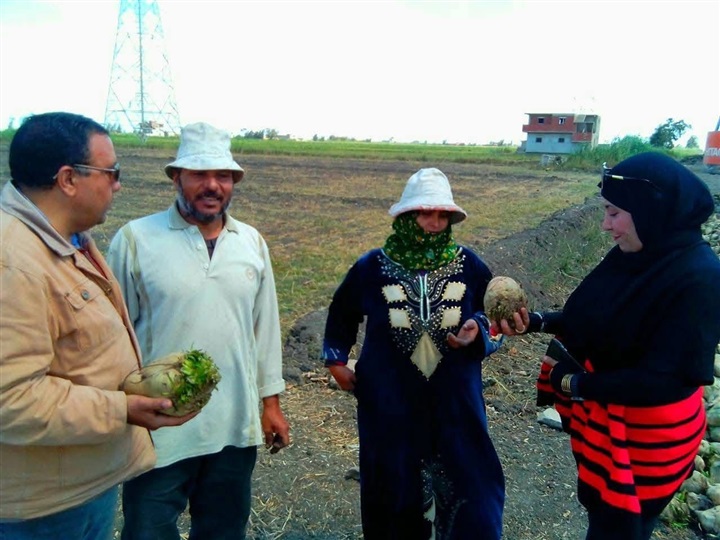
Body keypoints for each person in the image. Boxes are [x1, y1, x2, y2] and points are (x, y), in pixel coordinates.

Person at [0, 112, 194, 540]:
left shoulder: (66, 239)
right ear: (68, 179)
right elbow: (10, 399)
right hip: (43, 511)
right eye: (112, 172)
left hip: (77, 485)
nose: (118, 185)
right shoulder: (13, 262)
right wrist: (122, 408)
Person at [509, 152, 720, 540]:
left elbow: (667, 382)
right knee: (604, 517)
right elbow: (596, 315)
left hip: (648, 446)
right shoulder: (637, 252)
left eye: (614, 213)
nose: (606, 225)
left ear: (650, 211)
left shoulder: (700, 278)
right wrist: (534, 321)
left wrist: (573, 383)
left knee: (621, 527)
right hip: (608, 426)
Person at [107, 121, 291, 540]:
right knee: (148, 531)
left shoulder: (251, 242)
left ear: (233, 182)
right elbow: (115, 335)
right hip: (159, 427)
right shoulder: (136, 239)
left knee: (223, 531)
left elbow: (264, 330)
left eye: (223, 175)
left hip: (233, 427)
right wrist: (120, 407)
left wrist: (271, 404)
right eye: (199, 175)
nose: (212, 185)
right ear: (177, 178)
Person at [321, 167, 520, 540]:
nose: (434, 222)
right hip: (389, 404)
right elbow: (342, 312)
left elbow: (496, 321)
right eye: (425, 213)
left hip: (455, 404)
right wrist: (336, 360)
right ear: (407, 215)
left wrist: (479, 330)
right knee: (392, 490)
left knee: (471, 492)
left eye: (442, 215)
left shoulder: (470, 266)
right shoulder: (372, 267)